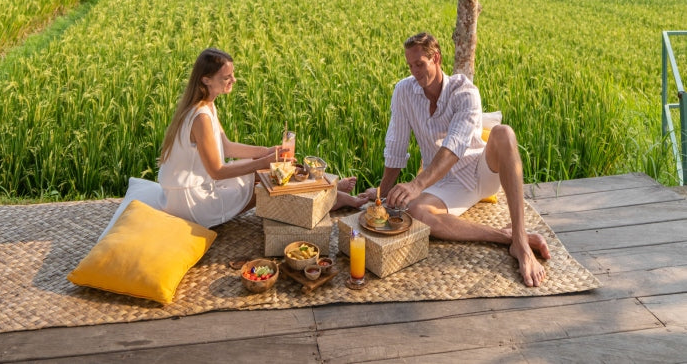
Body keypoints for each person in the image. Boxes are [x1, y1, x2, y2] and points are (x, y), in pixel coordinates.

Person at [362, 32, 550, 287]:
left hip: (480, 171)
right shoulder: (403, 91)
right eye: (410, 65)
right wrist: (381, 196)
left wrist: (416, 185)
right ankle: (510, 239)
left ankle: (520, 237)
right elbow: (396, 146)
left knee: (504, 133)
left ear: (436, 58)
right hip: (444, 184)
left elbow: (454, 147)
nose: (414, 72)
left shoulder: (465, 92)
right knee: (416, 211)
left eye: (420, 64)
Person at [158, 48, 366, 228]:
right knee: (269, 185)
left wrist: (266, 152)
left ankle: (325, 190)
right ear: (206, 79)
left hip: (194, 190)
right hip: (193, 202)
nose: (234, 80)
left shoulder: (207, 104)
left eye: (233, 74)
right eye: (226, 77)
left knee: (267, 171)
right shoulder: (200, 116)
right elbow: (217, 171)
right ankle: (330, 198)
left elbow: (227, 147)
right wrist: (263, 162)